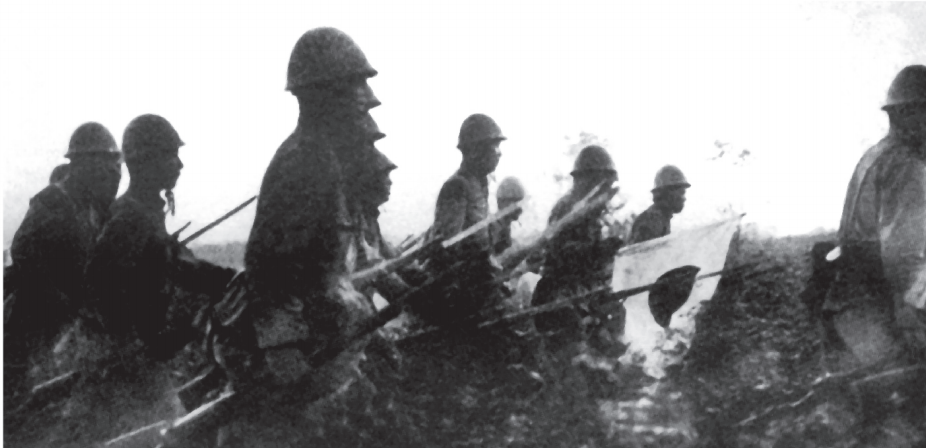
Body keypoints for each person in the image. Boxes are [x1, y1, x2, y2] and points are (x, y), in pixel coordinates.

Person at [208, 27, 384, 448]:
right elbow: (268, 270)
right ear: (324, 96)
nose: (366, 99)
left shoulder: (321, 159)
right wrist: (283, 353)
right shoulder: (304, 163)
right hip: (279, 352)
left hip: (311, 343)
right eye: (354, 87)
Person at [51, 114, 236, 447]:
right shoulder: (129, 219)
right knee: (168, 435)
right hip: (123, 365)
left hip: (128, 363)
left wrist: (231, 280)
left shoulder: (144, 212)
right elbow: (102, 293)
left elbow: (180, 266)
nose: (179, 164)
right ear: (146, 161)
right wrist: (139, 348)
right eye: (170, 155)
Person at [822, 64, 926, 446]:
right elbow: (902, 258)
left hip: (843, 310)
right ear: (913, 114)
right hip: (876, 316)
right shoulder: (907, 165)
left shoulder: (875, 155)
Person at [3, 122, 122, 429]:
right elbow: (23, 252)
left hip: (68, 325)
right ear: (81, 163)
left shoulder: (93, 207)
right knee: (22, 412)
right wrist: (59, 299)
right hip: (35, 326)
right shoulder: (53, 201)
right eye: (104, 162)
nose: (110, 171)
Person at [407, 113, 510, 327]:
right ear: (475, 151)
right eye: (493, 147)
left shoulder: (480, 185)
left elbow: (482, 237)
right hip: (459, 288)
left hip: (479, 282)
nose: (499, 153)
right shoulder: (457, 186)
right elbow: (446, 245)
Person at [532, 145, 624, 356]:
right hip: (558, 294)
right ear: (589, 181)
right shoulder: (567, 209)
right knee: (576, 350)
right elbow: (561, 253)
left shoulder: (594, 215)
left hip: (585, 292)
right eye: (604, 185)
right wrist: (599, 250)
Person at [629, 165, 690, 244]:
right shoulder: (652, 221)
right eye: (682, 192)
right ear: (668, 193)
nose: (684, 198)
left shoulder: (658, 218)